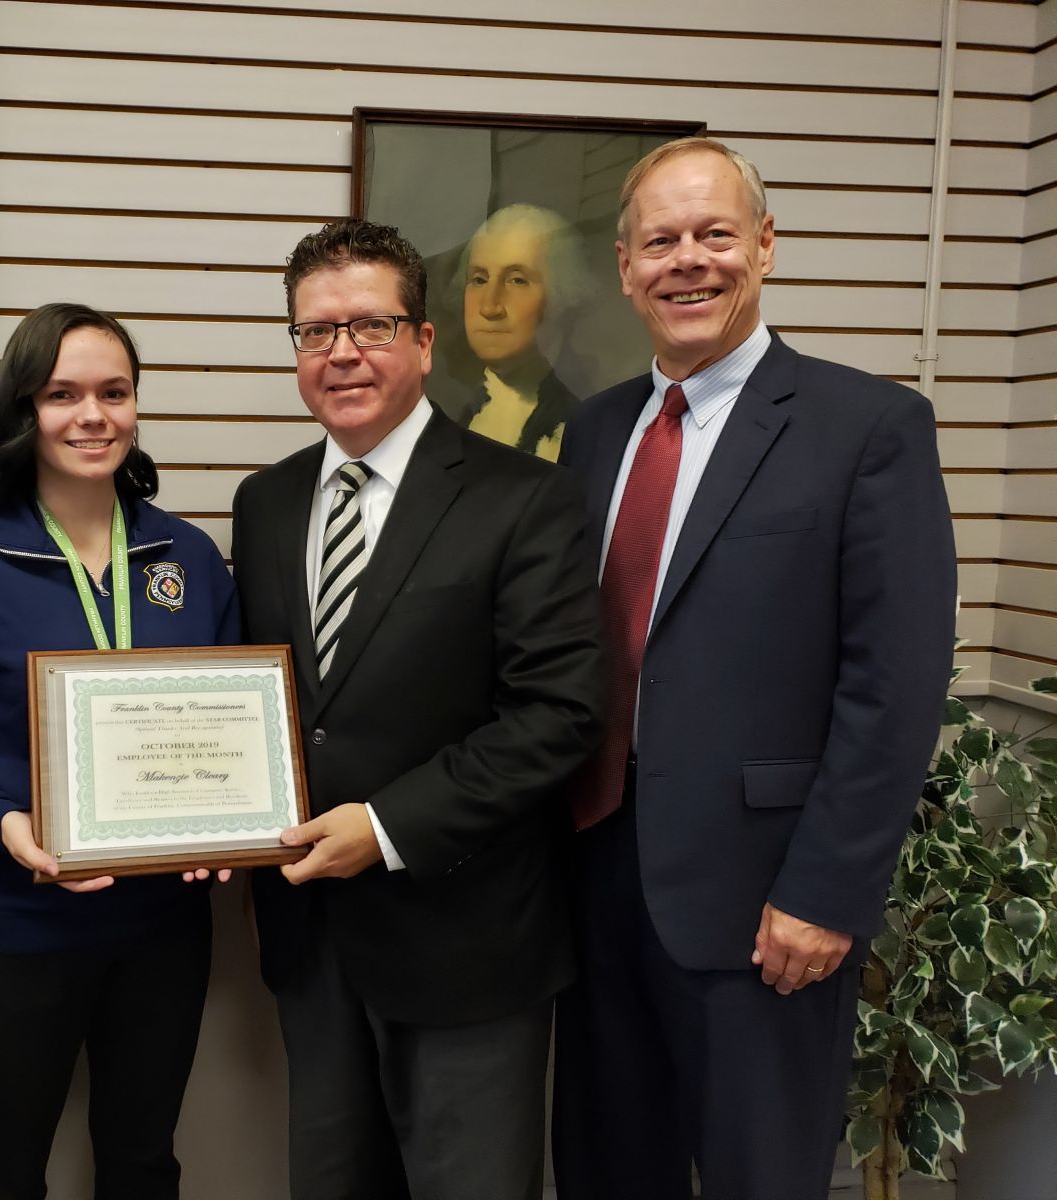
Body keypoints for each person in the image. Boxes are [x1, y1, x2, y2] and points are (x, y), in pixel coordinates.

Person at [550, 137, 957, 1199]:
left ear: (765, 248)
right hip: (593, 883)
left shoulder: (866, 427)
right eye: (660, 241)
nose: (688, 261)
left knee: (757, 1179)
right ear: (626, 266)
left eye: (714, 234)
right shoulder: (592, 435)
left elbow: (894, 683)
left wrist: (825, 892)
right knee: (604, 1169)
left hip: (765, 909)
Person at [230, 219, 604, 1199]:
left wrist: (385, 828)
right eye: (315, 332)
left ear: (424, 342)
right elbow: (268, 703)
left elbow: (556, 715)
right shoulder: (263, 503)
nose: (341, 352)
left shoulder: (523, 499)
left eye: (370, 325)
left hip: (466, 943)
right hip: (313, 943)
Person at [0, 303, 239, 1200]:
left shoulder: (189, 557)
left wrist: (231, 825)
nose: (94, 415)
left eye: (114, 393)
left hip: (164, 933)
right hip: (18, 927)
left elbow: (231, 724)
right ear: (22, 413)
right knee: (6, 1167)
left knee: (143, 1161)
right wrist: (0, 823)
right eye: (63, 394)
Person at [451, 204, 592, 461]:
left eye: (517, 280)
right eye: (479, 280)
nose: (489, 307)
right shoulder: (449, 414)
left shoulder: (580, 430)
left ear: (561, 294)